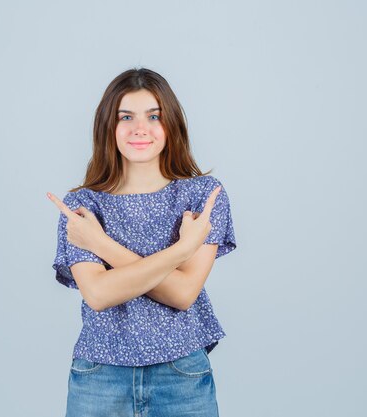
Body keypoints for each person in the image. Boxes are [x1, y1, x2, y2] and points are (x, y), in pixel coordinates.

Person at [46, 67, 237, 417]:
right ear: (108, 126)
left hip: (181, 374)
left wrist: (100, 244)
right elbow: (99, 294)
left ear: (171, 124)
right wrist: (181, 250)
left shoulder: (202, 195)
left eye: (154, 116)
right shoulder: (82, 206)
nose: (140, 128)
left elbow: (183, 294)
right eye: (126, 116)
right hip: (99, 376)